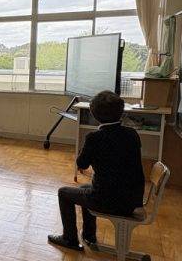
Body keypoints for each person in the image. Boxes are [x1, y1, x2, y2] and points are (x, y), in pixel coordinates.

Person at [48, 91, 145, 251]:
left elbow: (82, 164)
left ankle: (69, 239)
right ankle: (89, 235)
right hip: (131, 202)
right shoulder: (132, 134)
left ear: (94, 115)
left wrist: (86, 150)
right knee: (84, 188)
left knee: (63, 193)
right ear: (121, 112)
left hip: (107, 200)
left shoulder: (94, 138)